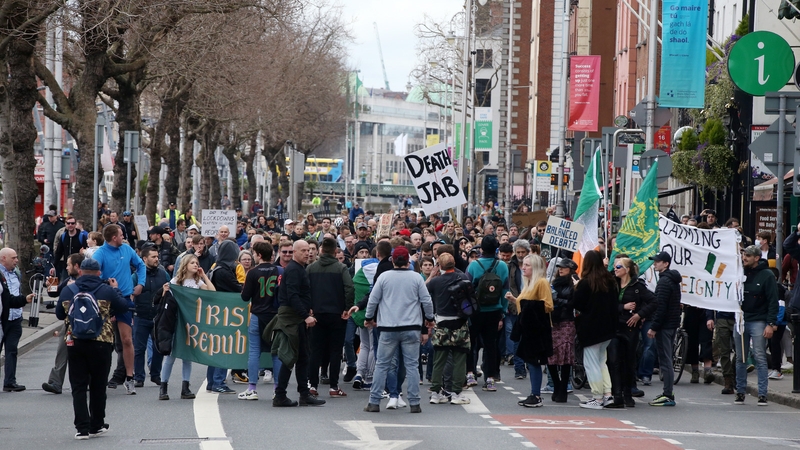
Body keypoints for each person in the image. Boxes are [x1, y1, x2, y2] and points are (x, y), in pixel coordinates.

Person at [55, 258, 128, 439]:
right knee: (98, 384)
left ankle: (82, 428)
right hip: (101, 341)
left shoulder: (68, 290)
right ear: (99, 272)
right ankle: (97, 424)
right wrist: (116, 289)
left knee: (78, 385)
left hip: (75, 341)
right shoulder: (106, 290)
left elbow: (59, 314)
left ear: (80, 271)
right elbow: (123, 307)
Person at [362, 246, 434, 413]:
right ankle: (414, 403)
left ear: (392, 260)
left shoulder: (384, 277)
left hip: (388, 327)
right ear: (408, 261)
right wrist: (429, 319)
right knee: (412, 365)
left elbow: (373, 300)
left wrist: (368, 317)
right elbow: (426, 301)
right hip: (411, 327)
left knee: (382, 365)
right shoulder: (416, 278)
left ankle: (374, 401)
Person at [91, 224, 147, 394]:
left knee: (127, 339)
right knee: (103, 341)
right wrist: (105, 283)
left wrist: (141, 284)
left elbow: (141, 265)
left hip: (125, 299)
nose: (124, 237)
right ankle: (98, 376)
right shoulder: (100, 253)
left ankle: (129, 377)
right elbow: (92, 274)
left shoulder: (127, 249)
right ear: (114, 237)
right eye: (121, 235)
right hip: (106, 299)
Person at [270, 240, 326, 407]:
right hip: (291, 319)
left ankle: (304, 394)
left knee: (303, 357)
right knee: (289, 357)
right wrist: (305, 315)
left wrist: (307, 310)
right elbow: (292, 295)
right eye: (303, 250)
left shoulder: (300, 268)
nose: (307, 253)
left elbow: (300, 295)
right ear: (294, 252)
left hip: (297, 317)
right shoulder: (294, 269)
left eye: (309, 250)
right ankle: (280, 396)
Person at [160, 254, 214, 400]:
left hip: (191, 322)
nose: (196, 265)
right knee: (171, 356)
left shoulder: (197, 282)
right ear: (185, 265)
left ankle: (185, 387)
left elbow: (212, 292)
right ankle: (163, 387)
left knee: (187, 356)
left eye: (197, 263)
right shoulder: (176, 281)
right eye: (192, 263)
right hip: (176, 321)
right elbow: (168, 299)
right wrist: (165, 291)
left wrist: (204, 276)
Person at [306, 238, 354, 398]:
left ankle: (312, 384)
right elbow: (349, 288)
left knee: (315, 350)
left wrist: (308, 307)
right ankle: (334, 386)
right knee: (335, 350)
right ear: (335, 251)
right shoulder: (341, 268)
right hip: (336, 313)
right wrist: (347, 308)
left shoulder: (311, 268)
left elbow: (305, 288)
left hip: (316, 313)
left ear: (321, 250)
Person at [571, 250, 618, 410]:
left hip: (590, 328)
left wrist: (576, 287)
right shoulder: (610, 281)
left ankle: (597, 397)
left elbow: (576, 303)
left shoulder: (586, 283)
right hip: (608, 328)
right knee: (601, 362)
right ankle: (607, 394)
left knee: (591, 363)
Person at [238, 242, 284, 401]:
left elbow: (245, 297)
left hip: (258, 314)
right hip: (276, 316)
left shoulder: (252, 273)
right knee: (276, 352)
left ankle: (252, 388)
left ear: (258, 254)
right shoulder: (280, 271)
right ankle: (277, 389)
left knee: (254, 352)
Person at [608, 257, 656, 408]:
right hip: (614, 326)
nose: (615, 269)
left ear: (627, 270)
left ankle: (628, 395)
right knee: (614, 361)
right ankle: (617, 395)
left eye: (618, 267)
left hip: (630, 328)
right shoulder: (612, 284)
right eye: (615, 267)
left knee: (629, 361)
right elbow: (606, 304)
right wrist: (622, 307)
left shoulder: (637, 286)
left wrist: (639, 315)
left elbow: (654, 301)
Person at [735, 245, 779, 406]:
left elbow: (773, 301)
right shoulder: (740, 272)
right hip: (741, 319)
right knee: (740, 357)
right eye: (744, 255)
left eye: (748, 256)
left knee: (760, 357)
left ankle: (762, 394)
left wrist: (770, 323)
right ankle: (740, 391)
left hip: (758, 320)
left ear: (756, 258)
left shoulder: (767, 275)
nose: (744, 258)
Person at [424, 253, 471, 405]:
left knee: (439, 360)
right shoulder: (463, 278)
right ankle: (456, 393)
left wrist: (431, 276)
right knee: (459, 359)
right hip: (460, 323)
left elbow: (423, 291)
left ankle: (436, 393)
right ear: (454, 263)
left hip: (441, 323)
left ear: (440, 265)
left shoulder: (436, 281)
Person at [509, 254, 553, 408]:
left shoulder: (541, 282)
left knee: (534, 362)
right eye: (524, 264)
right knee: (530, 361)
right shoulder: (528, 283)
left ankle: (536, 395)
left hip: (537, 329)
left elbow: (548, 305)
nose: (523, 267)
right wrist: (515, 300)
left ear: (535, 267)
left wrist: (529, 305)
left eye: (527, 265)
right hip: (528, 328)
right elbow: (524, 304)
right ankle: (534, 393)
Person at [466, 235, 509, 391]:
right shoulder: (502, 266)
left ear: (481, 249)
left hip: (476, 311)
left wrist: (467, 311)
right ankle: (490, 378)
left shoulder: (473, 265)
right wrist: (502, 311)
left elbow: (466, 289)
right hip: (494, 310)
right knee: (491, 345)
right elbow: (505, 290)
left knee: (471, 343)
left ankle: (470, 373)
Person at [43, 253, 85, 394]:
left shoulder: (85, 282)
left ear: (76, 266)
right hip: (69, 323)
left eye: (68, 265)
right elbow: (54, 293)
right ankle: (55, 382)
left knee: (81, 354)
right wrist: (50, 285)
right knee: (62, 351)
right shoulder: (69, 281)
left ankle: (87, 381)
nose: (66, 267)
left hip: (82, 323)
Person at [646, 251, 682, 407]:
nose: (655, 263)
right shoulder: (672, 280)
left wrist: (654, 327)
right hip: (671, 324)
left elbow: (660, 307)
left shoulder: (664, 282)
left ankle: (668, 394)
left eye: (658, 261)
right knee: (667, 359)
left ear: (666, 263)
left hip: (665, 326)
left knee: (665, 360)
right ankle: (668, 392)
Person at [207, 240, 243, 392]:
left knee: (216, 349)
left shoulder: (216, 268)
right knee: (223, 349)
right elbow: (237, 288)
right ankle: (218, 381)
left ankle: (212, 381)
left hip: (217, 313)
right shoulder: (223, 271)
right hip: (225, 313)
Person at [132, 247, 170, 387]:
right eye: (153, 257)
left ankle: (155, 375)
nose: (156, 259)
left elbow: (171, 291)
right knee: (139, 349)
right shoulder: (136, 276)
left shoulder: (163, 274)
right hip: (140, 315)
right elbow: (130, 293)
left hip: (158, 317)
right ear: (144, 259)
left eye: (157, 256)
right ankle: (139, 377)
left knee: (158, 348)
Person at [0, 248, 35, 392]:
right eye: (13, 258)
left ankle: (10, 381)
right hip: (2, 320)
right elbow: (6, 299)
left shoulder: (16, 273)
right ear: (3, 258)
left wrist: (24, 300)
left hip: (15, 318)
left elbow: (14, 295)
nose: (16, 260)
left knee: (12, 350)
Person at [546, 258, 578, 402]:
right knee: (551, 356)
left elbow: (573, 303)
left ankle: (563, 387)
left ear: (570, 269)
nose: (560, 269)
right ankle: (556, 384)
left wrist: (557, 299)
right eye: (559, 267)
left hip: (567, 321)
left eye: (564, 267)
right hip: (553, 321)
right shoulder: (554, 283)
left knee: (565, 356)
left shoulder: (574, 283)